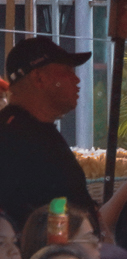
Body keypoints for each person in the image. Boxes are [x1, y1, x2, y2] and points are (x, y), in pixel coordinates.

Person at [0, 37, 99, 230]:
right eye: (67, 71)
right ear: (39, 78)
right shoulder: (14, 138)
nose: (77, 80)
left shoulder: (36, 131)